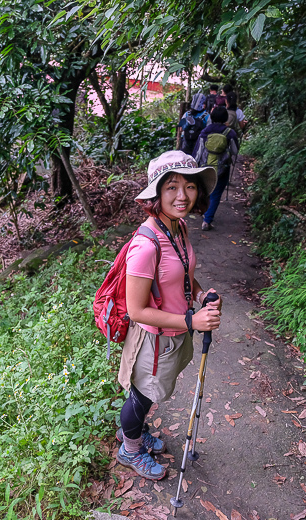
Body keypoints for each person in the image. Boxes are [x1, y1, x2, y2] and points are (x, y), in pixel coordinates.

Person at [115, 150, 223, 480]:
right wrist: (192, 321)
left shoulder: (176, 228)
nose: (182, 196)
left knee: (149, 395)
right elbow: (137, 310)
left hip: (173, 335)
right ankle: (129, 450)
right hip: (153, 340)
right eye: (172, 187)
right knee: (141, 396)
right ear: (157, 193)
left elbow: (182, 276)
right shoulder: (147, 245)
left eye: (189, 186)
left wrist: (200, 294)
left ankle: (132, 434)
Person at [194, 106, 239, 231]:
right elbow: (235, 151)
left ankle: (203, 211)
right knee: (216, 193)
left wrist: (194, 165)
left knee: (206, 190)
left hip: (205, 167)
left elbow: (198, 151)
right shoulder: (230, 133)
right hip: (222, 168)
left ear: (212, 117)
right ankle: (207, 221)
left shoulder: (205, 132)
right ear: (225, 118)